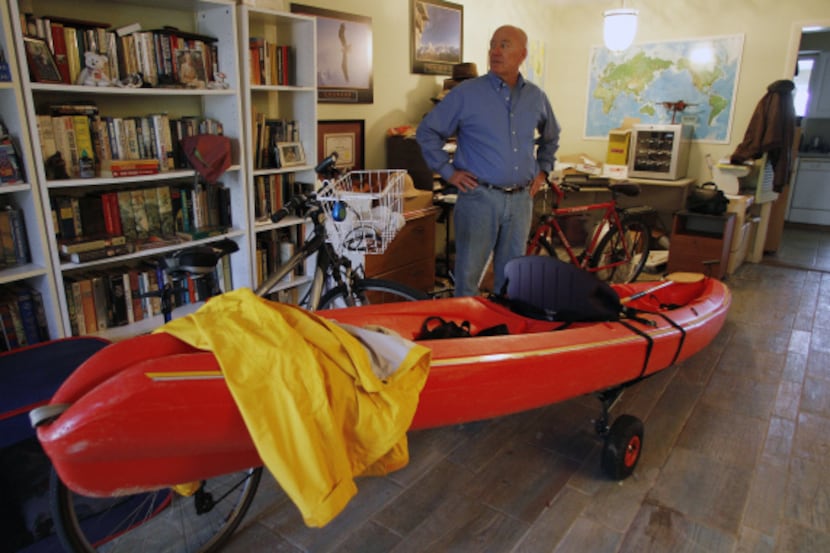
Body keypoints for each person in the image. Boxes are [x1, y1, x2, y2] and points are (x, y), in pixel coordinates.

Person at [416, 25, 560, 297]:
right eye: (492, 45)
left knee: (511, 278)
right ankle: (464, 335)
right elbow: (427, 132)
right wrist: (448, 172)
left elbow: (551, 136)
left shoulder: (536, 97)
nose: (495, 51)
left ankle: (498, 335)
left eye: (504, 45)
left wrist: (543, 171)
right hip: (479, 197)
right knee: (468, 278)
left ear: (522, 54)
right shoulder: (466, 94)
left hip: (520, 201)